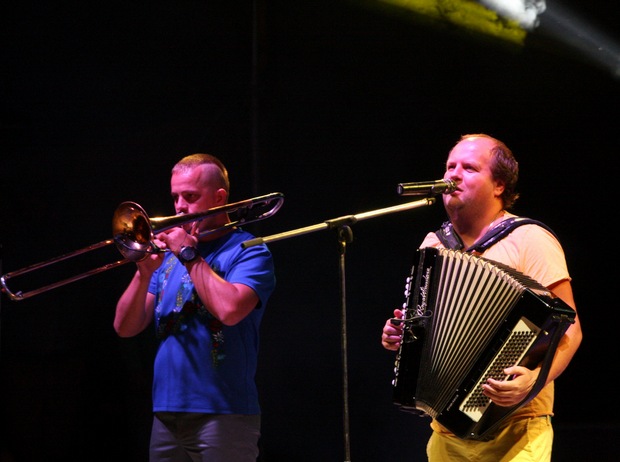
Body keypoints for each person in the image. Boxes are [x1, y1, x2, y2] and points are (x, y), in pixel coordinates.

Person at [381, 133, 582, 461]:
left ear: (499, 186)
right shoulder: (433, 245)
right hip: (446, 432)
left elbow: (571, 330)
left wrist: (533, 380)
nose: (453, 175)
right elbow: (429, 332)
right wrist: (400, 337)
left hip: (518, 429)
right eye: (450, 166)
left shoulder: (530, 239)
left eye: (469, 168)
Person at [114, 153, 276, 462]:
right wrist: (143, 272)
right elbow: (125, 327)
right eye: (176, 197)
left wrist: (188, 255)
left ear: (219, 198)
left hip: (223, 413)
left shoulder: (249, 251)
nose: (180, 207)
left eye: (190, 196)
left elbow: (230, 311)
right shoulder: (169, 258)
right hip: (165, 413)